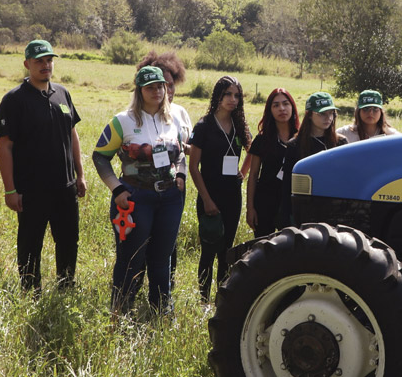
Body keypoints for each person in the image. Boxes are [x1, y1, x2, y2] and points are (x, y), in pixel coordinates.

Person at [94, 66, 191, 314]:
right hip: (135, 199)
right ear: (139, 91)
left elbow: (180, 155)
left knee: (162, 257)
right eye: (150, 87)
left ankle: (161, 311)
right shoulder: (122, 121)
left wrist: (181, 174)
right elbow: (100, 157)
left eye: (160, 86)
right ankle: (121, 310)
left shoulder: (174, 119)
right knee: (132, 258)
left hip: (169, 198)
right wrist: (117, 190)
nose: (157, 91)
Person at [0, 40, 86, 293]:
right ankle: (30, 293)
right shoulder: (14, 100)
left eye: (49, 60)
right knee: (30, 245)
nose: (45, 66)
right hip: (32, 190)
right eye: (39, 61)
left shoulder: (62, 93)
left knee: (69, 241)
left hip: (65, 188)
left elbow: (72, 134)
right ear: (27, 64)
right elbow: (5, 146)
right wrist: (10, 190)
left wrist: (80, 174)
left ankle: (66, 289)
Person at [187, 76, 250, 303]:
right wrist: (206, 199)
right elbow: (193, 167)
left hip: (232, 196)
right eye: (228, 94)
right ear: (218, 96)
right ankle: (203, 300)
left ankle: (221, 299)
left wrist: (244, 171)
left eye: (237, 96)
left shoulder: (240, 125)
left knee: (227, 251)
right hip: (209, 195)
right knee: (208, 250)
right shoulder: (204, 126)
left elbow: (253, 149)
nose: (232, 100)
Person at [278, 92, 347, 228]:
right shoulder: (294, 145)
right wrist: (285, 217)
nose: (328, 118)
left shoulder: (341, 143)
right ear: (309, 115)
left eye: (331, 113)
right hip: (304, 210)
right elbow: (287, 185)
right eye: (322, 114)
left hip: (333, 210)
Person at [245, 88, 298, 238]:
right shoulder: (262, 139)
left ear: (292, 107)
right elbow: (253, 175)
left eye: (285, 104)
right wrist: (250, 208)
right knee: (262, 248)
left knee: (290, 249)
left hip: (290, 203)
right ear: (270, 110)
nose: (281, 108)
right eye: (276, 105)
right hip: (265, 202)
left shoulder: (301, 138)